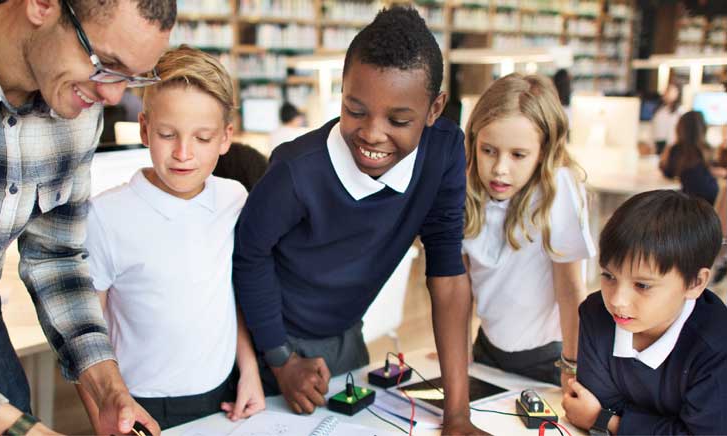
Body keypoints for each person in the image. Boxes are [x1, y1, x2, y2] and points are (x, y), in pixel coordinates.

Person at [0, 0, 174, 434]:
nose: (113, 96)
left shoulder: (77, 101)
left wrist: (107, 388)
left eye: (132, 77)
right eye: (106, 64)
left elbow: (56, 256)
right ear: (41, 5)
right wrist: (15, 429)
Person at [233, 7, 485, 433]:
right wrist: (280, 360)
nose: (372, 133)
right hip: (269, 338)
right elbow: (248, 253)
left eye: (399, 120)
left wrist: (457, 415)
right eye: (355, 109)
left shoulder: (443, 152)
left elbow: (446, 272)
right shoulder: (298, 170)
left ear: (434, 108)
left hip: (347, 337)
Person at [75, 46, 265, 431]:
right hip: (140, 400)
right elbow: (83, 332)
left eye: (202, 138)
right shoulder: (105, 215)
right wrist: (101, 419)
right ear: (144, 128)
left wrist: (250, 369)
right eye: (167, 134)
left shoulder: (234, 199)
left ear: (226, 138)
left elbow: (233, 292)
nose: (183, 153)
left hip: (224, 391)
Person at [462, 74, 594, 390]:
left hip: (549, 361)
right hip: (486, 350)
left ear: (543, 151)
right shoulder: (465, 190)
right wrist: (460, 352)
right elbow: (461, 287)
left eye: (518, 155)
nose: (499, 169)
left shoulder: (558, 189)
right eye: (488, 150)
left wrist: (573, 367)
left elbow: (570, 289)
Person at [563, 190, 727, 434]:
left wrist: (605, 421)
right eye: (608, 276)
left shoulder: (717, 345)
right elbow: (597, 400)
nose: (617, 300)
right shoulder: (595, 314)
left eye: (642, 285)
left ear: (695, 283)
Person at [659, 111, 718, 205]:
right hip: (713, 197)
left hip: (690, 201)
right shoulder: (707, 149)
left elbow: (668, 173)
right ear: (703, 128)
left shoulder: (676, 149)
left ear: (680, 128)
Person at [651, 81, 683, 155]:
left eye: (670, 90)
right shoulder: (659, 110)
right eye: (666, 90)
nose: (666, 93)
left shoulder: (680, 112)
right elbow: (654, 129)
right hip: (658, 145)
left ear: (677, 93)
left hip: (672, 147)